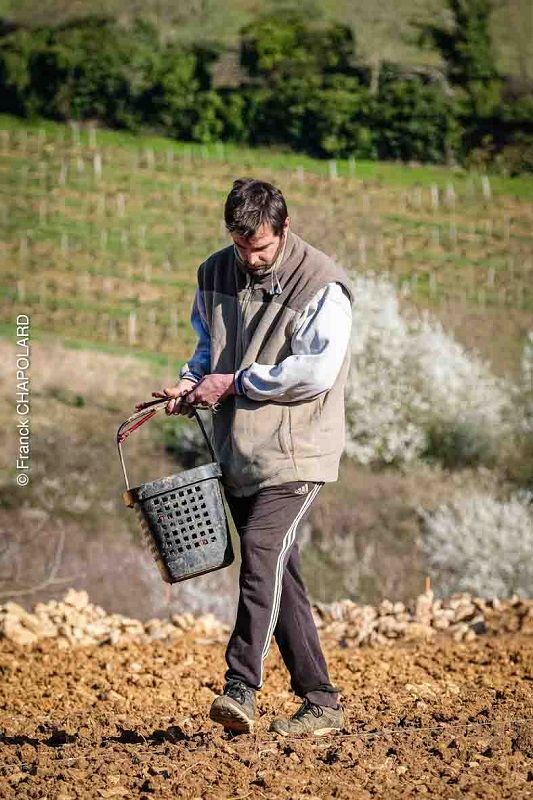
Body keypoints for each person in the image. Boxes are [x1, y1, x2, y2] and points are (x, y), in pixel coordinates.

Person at [139, 178, 352, 736]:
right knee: (278, 573)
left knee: (259, 552)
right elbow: (206, 348)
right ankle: (322, 702)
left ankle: (240, 687)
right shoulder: (214, 273)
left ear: (285, 227)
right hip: (239, 451)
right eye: (240, 247)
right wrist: (191, 383)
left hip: (298, 449)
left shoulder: (321, 284)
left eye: (260, 248)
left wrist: (233, 383)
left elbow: (315, 373)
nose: (250, 259)